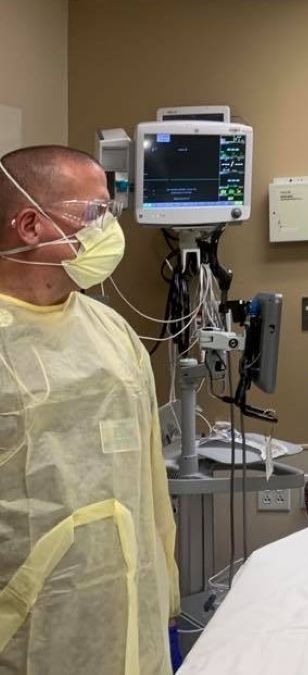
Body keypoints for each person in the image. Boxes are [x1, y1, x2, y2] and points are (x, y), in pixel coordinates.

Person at [0, 146, 180, 673]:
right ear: (30, 224)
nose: (109, 229)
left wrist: (166, 600)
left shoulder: (112, 333)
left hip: (132, 626)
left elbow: (151, 489)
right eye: (95, 213)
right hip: (27, 637)